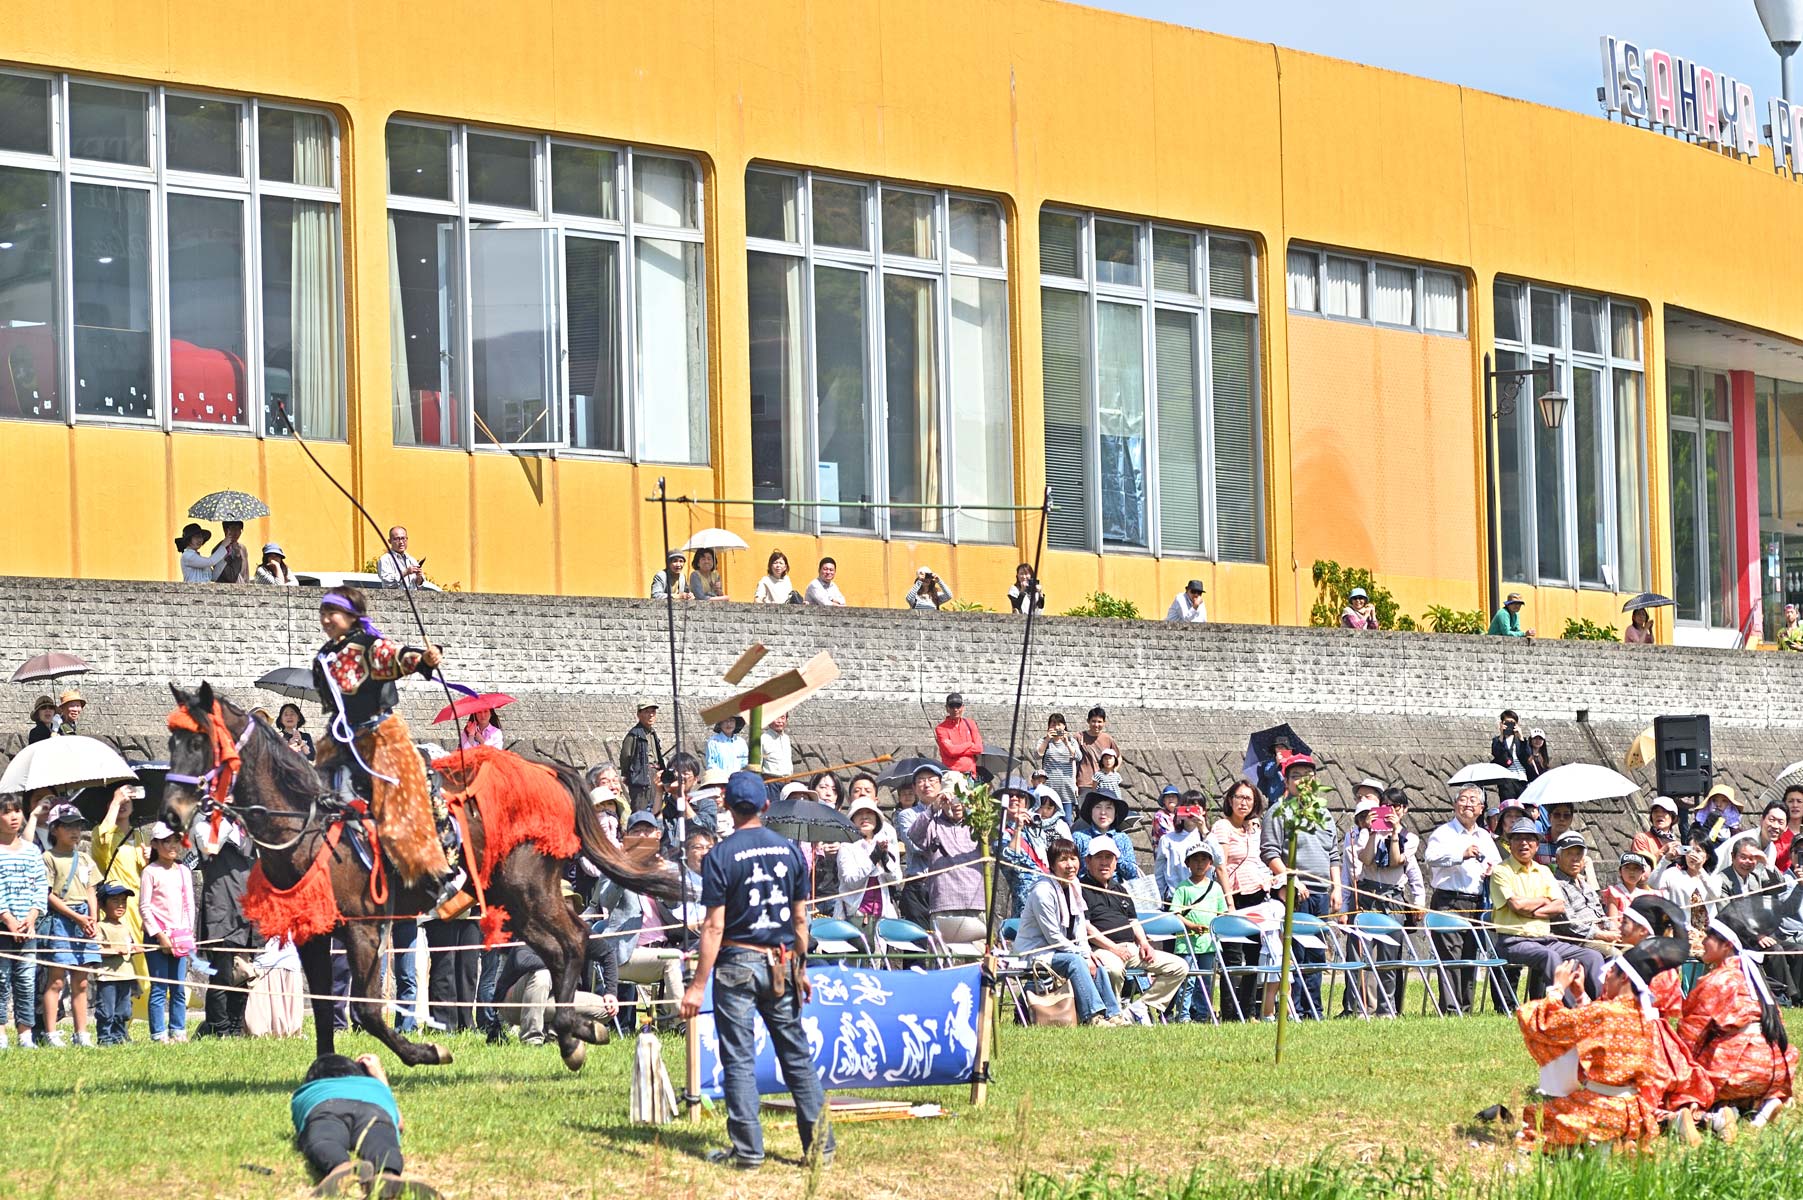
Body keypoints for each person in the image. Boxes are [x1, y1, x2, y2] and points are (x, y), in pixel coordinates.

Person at [679, 771, 834, 1171]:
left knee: (739, 1059)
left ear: (728, 806)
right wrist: (800, 968)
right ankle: (820, 1150)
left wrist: (697, 986)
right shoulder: (789, 851)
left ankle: (748, 1152)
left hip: (737, 964)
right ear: (766, 805)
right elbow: (800, 922)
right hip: (781, 962)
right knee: (796, 1056)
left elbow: (713, 927)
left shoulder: (720, 855)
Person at [310, 587, 449, 887]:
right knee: (312, 793)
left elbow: (399, 656)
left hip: (380, 737)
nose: (325, 619)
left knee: (400, 798)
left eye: (332, 612)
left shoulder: (369, 646)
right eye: (322, 613)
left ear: (352, 615)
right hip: (340, 738)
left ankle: (425, 869)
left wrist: (426, 658)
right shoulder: (324, 655)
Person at [1513, 956, 1660, 1151]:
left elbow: (1542, 1023)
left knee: (1535, 1119)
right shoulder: (1645, 1016)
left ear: (1624, 976)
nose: (1605, 975)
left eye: (1610, 970)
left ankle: (1601, 1146)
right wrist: (1580, 995)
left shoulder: (1604, 1011)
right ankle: (1623, 1140)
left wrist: (1557, 988)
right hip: (1633, 1112)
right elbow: (1595, 1026)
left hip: (1602, 1107)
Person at [1680, 908, 1799, 1114]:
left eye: (1708, 937)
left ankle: (1720, 1110)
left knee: (1682, 1079)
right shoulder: (1757, 979)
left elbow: (1691, 1033)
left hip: (1734, 1067)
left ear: (1727, 944)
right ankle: (1759, 1102)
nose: (1702, 942)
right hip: (1775, 1069)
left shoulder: (1717, 980)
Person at [1490, 819, 1606, 1005]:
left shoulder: (1544, 871)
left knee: (1592, 956)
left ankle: (1603, 1006)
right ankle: (1571, 1010)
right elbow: (1516, 904)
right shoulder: (1501, 871)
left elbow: (1559, 906)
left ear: (1537, 845)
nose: (1524, 843)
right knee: (1550, 956)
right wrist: (1544, 901)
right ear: (1510, 843)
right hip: (1513, 941)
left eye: (1529, 839)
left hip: (1546, 939)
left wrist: (1532, 910)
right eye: (1518, 838)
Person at [1010, 837, 1125, 1026]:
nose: (1070, 865)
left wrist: (1087, 953)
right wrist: (1081, 955)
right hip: (1037, 952)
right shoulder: (1042, 892)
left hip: (1061, 951)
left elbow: (1079, 927)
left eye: (1073, 859)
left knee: (1095, 959)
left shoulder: (1074, 886)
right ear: (1052, 865)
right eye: (1063, 860)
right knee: (1076, 961)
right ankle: (1093, 1017)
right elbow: (1053, 937)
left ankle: (1113, 1014)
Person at [292, 1053, 438, 1198]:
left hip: (326, 1106)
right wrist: (380, 1075)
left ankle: (340, 1167)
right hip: (373, 1110)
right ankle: (388, 1174)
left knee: (324, 1139)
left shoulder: (306, 1092)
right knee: (382, 1143)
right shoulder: (376, 1086)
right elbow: (399, 1123)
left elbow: (304, 1128)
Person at [1261, 753, 1341, 1017]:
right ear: (1286, 781)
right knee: (1295, 952)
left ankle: (1313, 1009)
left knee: (1316, 952)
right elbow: (1270, 852)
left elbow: (1333, 854)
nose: (1302, 781)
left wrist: (1337, 887)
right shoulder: (1278, 811)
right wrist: (1291, 880)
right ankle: (1292, 1009)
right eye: (1295, 776)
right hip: (1294, 893)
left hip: (1321, 892)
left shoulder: (1324, 813)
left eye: (1308, 776)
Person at [495, 882, 620, 1046]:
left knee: (605, 1010)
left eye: (567, 902)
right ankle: (532, 1039)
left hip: (552, 1002)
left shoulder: (579, 932)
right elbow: (521, 959)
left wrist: (611, 993)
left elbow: (608, 953)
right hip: (514, 1004)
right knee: (542, 975)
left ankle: (555, 1032)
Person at [1081, 839, 1187, 1022]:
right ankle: (1112, 1015)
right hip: (1101, 949)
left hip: (1130, 949)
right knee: (1113, 969)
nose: (1104, 862)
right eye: (1099, 857)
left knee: (1178, 966)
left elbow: (1133, 920)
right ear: (1088, 861)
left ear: (1115, 862)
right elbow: (1086, 927)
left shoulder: (1120, 889)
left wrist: (1144, 943)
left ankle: (1137, 1009)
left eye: (1109, 857)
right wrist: (1114, 948)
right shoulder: (1081, 888)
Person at [1425, 785, 1501, 1014]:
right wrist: (1461, 855)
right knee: (1451, 956)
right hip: (1449, 900)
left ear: (1481, 808)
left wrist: (1492, 870)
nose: (1468, 804)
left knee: (1470, 956)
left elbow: (1497, 862)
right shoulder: (1444, 833)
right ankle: (1450, 1009)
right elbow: (1431, 857)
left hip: (1476, 902)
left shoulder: (1485, 836)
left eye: (1473, 800)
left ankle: (1465, 1009)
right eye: (1463, 799)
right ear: (1454, 804)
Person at [1211, 780, 1274, 1020]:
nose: (1243, 803)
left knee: (1254, 955)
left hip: (1256, 896)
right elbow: (1221, 866)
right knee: (1233, 958)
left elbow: (1258, 861)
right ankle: (1230, 1013)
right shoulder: (1222, 827)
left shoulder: (1253, 830)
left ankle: (1249, 1011)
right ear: (1230, 800)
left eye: (1249, 798)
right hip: (1234, 897)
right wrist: (1229, 903)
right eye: (1239, 797)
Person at [36, 804, 99, 1046]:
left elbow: (91, 890)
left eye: (78, 826)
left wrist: (92, 918)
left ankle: (81, 1032)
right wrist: (77, 917)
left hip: (84, 920)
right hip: (62, 919)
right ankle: (51, 1032)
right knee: (57, 979)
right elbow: (48, 895)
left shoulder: (84, 858)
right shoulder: (48, 858)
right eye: (68, 826)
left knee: (81, 980)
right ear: (54, 829)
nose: (74, 832)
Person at [908, 782, 987, 956]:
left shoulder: (979, 823)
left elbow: (996, 840)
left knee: (979, 960)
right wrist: (933, 807)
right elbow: (913, 835)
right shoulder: (933, 823)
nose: (957, 804)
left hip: (976, 902)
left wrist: (977, 807)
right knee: (941, 959)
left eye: (962, 798)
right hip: (944, 902)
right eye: (952, 799)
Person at [140, 822, 196, 1043]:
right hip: (157, 937)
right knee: (159, 987)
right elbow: (145, 907)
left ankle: (178, 1029)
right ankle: (158, 1033)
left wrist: (187, 932)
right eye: (166, 841)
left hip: (180, 935)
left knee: (178, 986)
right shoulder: (150, 871)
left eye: (175, 841)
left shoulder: (183, 871)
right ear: (155, 844)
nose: (172, 846)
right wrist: (159, 935)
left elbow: (189, 904)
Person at [1170, 839, 1228, 1023]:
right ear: (1188, 863)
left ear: (1210, 863)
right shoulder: (1183, 887)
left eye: (1204, 859)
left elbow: (1222, 913)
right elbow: (1175, 913)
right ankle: (1183, 1015)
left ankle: (1203, 1014)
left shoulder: (1216, 888)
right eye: (1195, 859)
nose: (1200, 864)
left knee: (1205, 981)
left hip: (1208, 944)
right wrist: (1191, 925)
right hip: (1186, 943)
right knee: (1188, 980)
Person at [836, 795, 902, 949]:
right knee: (855, 961)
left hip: (881, 917)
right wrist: (873, 859)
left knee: (878, 961)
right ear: (852, 819)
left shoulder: (884, 844)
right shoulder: (847, 847)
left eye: (869, 813)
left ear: (877, 819)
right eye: (859, 814)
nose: (864, 817)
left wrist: (884, 859)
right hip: (854, 917)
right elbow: (850, 881)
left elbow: (896, 880)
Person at [91, 881, 137, 1045]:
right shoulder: (100, 927)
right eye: (115, 901)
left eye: (123, 901)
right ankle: (105, 1037)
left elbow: (129, 946)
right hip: (108, 977)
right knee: (106, 1009)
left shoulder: (125, 927)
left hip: (126, 975)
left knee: (124, 1010)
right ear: (103, 905)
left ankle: (119, 1036)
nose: (120, 905)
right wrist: (116, 950)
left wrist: (134, 949)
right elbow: (96, 950)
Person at [619, 698, 665, 812]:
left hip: (655, 774)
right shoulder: (634, 735)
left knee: (657, 808)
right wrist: (627, 775)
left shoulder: (652, 733)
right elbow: (625, 757)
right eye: (646, 712)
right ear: (639, 715)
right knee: (641, 808)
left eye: (653, 712)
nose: (651, 715)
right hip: (641, 776)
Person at [1155, 802, 1206, 901]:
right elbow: (1159, 871)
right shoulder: (1167, 839)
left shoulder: (1207, 837)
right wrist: (1161, 897)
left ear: (1203, 811)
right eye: (1187, 809)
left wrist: (1205, 831)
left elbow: (1219, 862)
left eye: (1195, 809)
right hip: (1174, 896)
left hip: (1203, 897)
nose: (1191, 813)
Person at [1037, 714, 1082, 816]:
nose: (1056, 727)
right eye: (1053, 724)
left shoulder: (1071, 741)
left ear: (1064, 726)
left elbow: (1078, 757)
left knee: (1067, 819)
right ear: (1049, 726)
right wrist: (1047, 739)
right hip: (1049, 787)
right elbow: (1037, 755)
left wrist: (1067, 743)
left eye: (1059, 724)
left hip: (1066, 788)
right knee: (1048, 818)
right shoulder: (1044, 741)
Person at [935, 693, 983, 774]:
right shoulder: (941, 729)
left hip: (970, 774)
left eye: (958, 706)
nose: (955, 709)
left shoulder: (971, 724)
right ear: (947, 708)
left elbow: (979, 748)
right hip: (952, 774)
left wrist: (957, 750)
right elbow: (951, 751)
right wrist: (969, 744)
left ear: (963, 707)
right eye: (952, 706)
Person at [1075, 707, 1117, 791]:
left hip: (1104, 783)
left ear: (1104, 722)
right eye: (1093, 721)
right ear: (1088, 721)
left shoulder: (1107, 739)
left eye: (1099, 722)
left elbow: (1118, 757)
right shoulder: (1079, 737)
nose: (1096, 725)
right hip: (1084, 783)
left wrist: (1112, 772)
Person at [376, 526, 425, 590]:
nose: (401, 542)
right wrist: (406, 572)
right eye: (397, 539)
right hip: (394, 596)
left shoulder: (412, 560)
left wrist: (419, 577)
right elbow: (388, 583)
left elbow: (419, 586)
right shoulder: (385, 559)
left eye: (403, 538)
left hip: (412, 595)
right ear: (389, 541)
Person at [758, 712, 793, 777]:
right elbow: (758, 765)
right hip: (771, 780)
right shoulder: (763, 739)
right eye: (776, 717)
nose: (780, 721)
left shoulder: (786, 738)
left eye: (782, 717)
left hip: (788, 779)